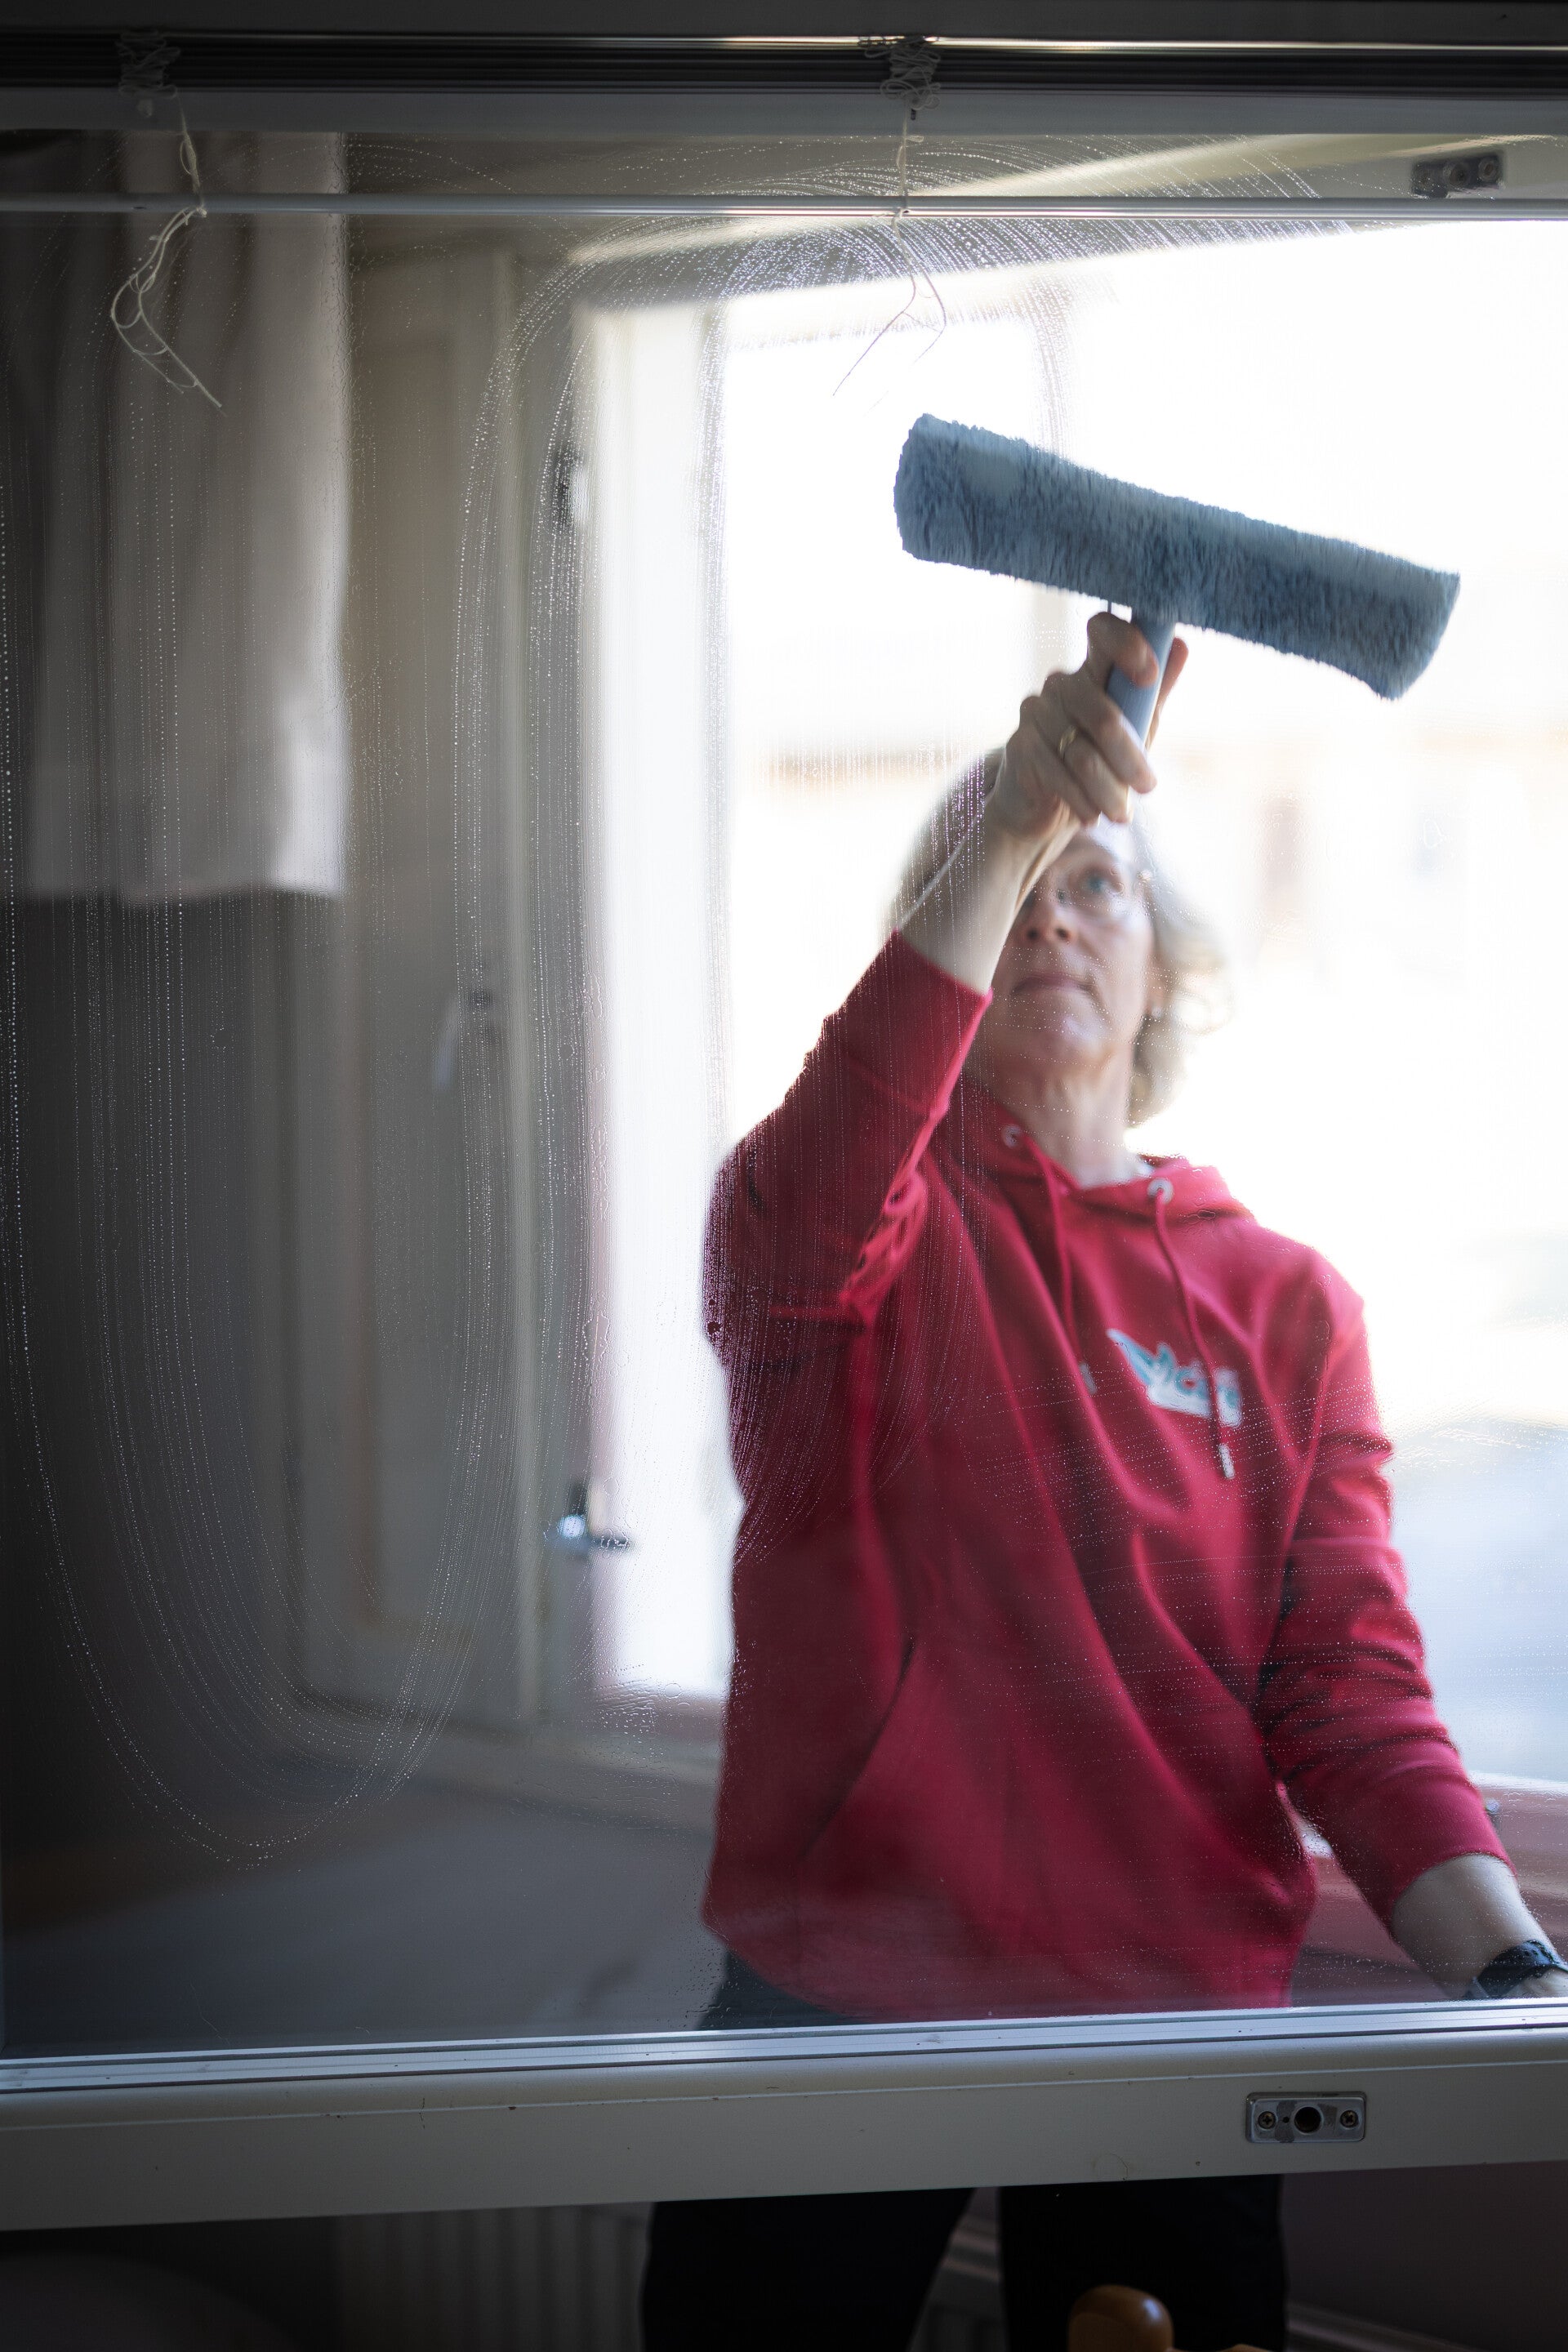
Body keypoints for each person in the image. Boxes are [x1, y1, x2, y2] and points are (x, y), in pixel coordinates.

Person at [642, 615, 1568, 2352]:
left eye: (1099, 886)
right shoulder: (856, 1231)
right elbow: (794, 1224)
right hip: (840, 1987)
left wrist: (1521, 1981)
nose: (1055, 915)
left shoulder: (1288, 1305)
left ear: (1163, 972)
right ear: (946, 958)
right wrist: (1008, 816)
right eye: (1017, 889)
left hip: (1168, 2014)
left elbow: (1351, 1697)